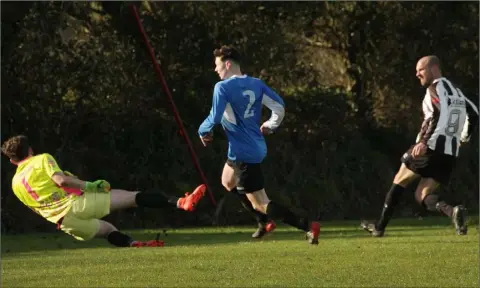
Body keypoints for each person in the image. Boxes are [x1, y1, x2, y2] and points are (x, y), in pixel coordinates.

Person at [198, 45, 320, 244]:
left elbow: (215, 116)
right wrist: (270, 126)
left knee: (261, 202)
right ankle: (263, 223)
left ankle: (306, 225)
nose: (215, 69)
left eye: (217, 65)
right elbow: (279, 106)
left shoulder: (222, 88)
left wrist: (203, 131)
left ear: (227, 64)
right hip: (253, 146)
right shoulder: (256, 84)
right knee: (227, 181)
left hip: (243, 151)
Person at [2, 135, 207, 247]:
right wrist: (90, 186)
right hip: (77, 206)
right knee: (133, 197)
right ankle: (181, 202)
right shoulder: (41, 159)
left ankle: (135, 244)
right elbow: (61, 181)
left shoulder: (15, 183)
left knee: (109, 230)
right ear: (30, 150)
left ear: (12, 161)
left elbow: (40, 204)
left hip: (65, 224)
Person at [361, 55, 479, 237]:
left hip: (430, 148)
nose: (417, 74)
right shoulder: (457, 91)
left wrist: (424, 142)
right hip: (449, 154)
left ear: (433, 69)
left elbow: (436, 115)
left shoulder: (434, 89)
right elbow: (475, 113)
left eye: (420, 70)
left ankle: (379, 227)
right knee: (421, 195)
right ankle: (452, 211)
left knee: (399, 179)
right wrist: (464, 137)